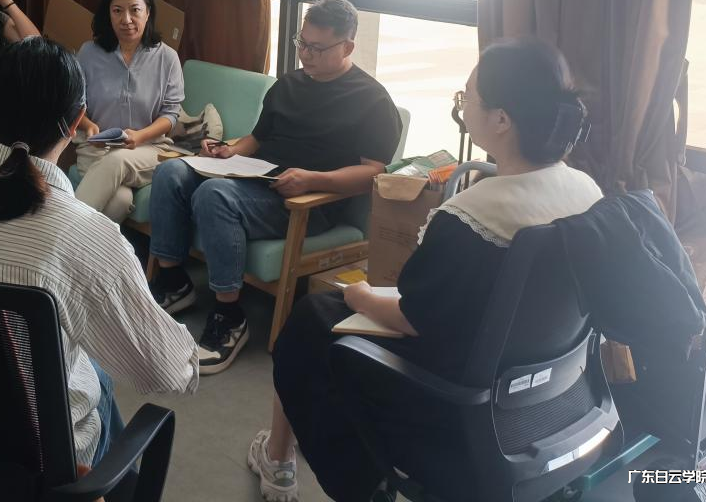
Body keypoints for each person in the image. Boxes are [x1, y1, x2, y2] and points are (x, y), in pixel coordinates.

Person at [250, 38, 604, 502]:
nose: (463, 104)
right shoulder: (588, 193)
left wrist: (359, 295)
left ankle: (315, 469)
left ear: (501, 120)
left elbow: (413, 318)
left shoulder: (473, 216)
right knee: (321, 318)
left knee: (309, 323)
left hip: (455, 400)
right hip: (550, 389)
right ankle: (281, 455)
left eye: (468, 96)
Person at [0, 37, 197, 471]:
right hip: (33, 458)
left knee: (89, 370)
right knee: (93, 375)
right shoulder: (88, 235)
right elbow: (169, 372)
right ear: (75, 123)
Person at [148, 0, 402, 375]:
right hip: (257, 178)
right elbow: (257, 138)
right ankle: (173, 282)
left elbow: (372, 174)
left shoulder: (373, 101)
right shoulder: (290, 84)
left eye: (317, 48)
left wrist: (312, 179)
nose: (305, 55)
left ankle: (230, 317)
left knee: (213, 195)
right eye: (302, 43)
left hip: (309, 201)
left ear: (347, 47)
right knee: (171, 172)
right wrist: (228, 151)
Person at [74, 0, 184, 222]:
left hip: (149, 148)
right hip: (97, 148)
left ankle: (62, 231)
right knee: (120, 201)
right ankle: (89, 248)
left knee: (118, 160)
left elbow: (170, 114)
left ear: (148, 12)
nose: (126, 19)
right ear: (108, 14)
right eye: (117, 11)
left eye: (135, 10)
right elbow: (74, 104)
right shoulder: (89, 53)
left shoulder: (168, 58)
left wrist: (140, 136)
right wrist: (88, 125)